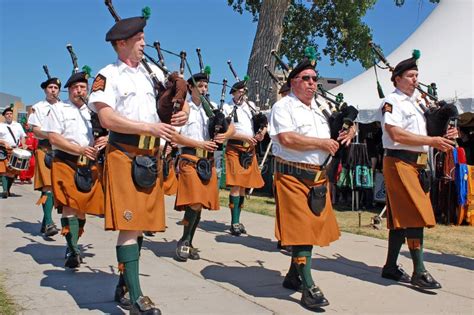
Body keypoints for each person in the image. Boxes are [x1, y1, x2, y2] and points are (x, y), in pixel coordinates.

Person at [89, 11, 188, 314]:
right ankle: (136, 299)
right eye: (139, 39)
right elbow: (106, 117)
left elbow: (161, 114)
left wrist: (179, 116)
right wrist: (149, 128)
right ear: (122, 43)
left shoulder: (151, 76)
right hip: (124, 154)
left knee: (141, 227)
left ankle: (123, 283)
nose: (144, 43)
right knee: (130, 226)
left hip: (151, 157)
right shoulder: (108, 75)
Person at [268, 56, 355, 310]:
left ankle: (293, 275)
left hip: (317, 177)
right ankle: (308, 286)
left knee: (310, 230)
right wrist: (320, 143)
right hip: (292, 175)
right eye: (305, 79)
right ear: (293, 82)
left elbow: (338, 129)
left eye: (314, 79)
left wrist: (351, 130)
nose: (311, 83)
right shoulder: (284, 107)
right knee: (302, 231)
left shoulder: (319, 108)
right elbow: (285, 138)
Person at [379, 52, 457, 289]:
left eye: (417, 75)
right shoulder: (391, 102)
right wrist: (432, 141)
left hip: (418, 164)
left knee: (400, 218)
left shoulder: (417, 104)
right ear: (397, 78)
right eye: (411, 75)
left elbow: (429, 130)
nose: (415, 80)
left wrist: (446, 132)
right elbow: (395, 134)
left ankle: (390, 267)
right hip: (399, 161)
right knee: (415, 214)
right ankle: (419, 271)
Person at [42, 70, 106, 268]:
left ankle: (74, 243)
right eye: (76, 88)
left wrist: (106, 139)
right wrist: (79, 149)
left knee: (81, 209)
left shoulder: (93, 112)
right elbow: (54, 138)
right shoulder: (59, 110)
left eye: (83, 88)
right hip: (66, 161)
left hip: (88, 165)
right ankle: (72, 249)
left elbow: (105, 133)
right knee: (70, 205)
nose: (80, 91)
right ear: (69, 91)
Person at [173, 72, 234, 262]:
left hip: (207, 161)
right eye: (200, 86)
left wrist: (225, 136)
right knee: (195, 201)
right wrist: (200, 144)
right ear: (190, 88)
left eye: (206, 86)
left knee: (199, 206)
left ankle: (188, 242)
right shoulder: (184, 108)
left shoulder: (214, 108)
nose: (204, 89)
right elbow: (175, 137)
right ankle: (184, 240)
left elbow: (231, 127)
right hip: (189, 157)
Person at [222, 80, 265, 236]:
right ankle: (234, 222)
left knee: (243, 186)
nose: (242, 94)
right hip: (234, 147)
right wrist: (243, 137)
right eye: (239, 92)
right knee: (236, 184)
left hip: (249, 149)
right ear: (233, 93)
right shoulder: (227, 107)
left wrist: (261, 132)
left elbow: (262, 121)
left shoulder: (250, 106)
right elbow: (225, 130)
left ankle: (238, 221)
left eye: (244, 91)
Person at [28, 76, 62, 236]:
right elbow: (35, 130)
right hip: (45, 149)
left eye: (56, 88)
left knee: (58, 187)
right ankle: (49, 223)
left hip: (63, 150)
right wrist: (51, 136)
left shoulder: (65, 107)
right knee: (47, 186)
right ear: (45, 90)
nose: (53, 90)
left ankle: (45, 220)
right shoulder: (38, 107)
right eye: (50, 88)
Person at [0, 107, 26, 198]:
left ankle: (7, 190)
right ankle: (4, 191)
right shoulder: (1, 125)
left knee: (12, 173)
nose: (9, 115)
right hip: (3, 150)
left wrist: (23, 145)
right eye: (7, 114)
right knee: (3, 171)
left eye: (10, 113)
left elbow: (23, 136)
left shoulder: (18, 125)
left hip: (15, 150)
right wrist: (4, 142)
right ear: (4, 116)